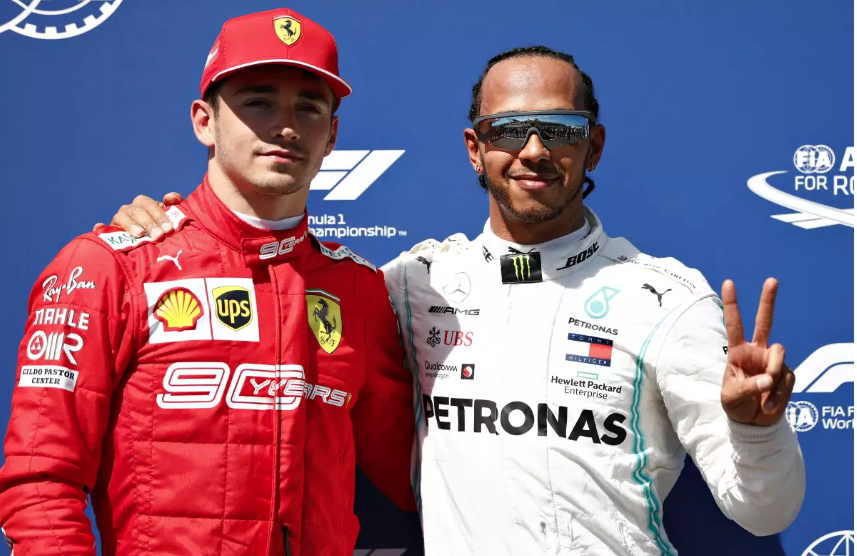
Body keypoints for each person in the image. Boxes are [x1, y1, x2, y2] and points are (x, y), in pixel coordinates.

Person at [102, 46, 806, 555]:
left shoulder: (664, 296)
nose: (534, 149)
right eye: (508, 131)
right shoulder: (412, 282)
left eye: (560, 129)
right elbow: (275, 274)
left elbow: (763, 511)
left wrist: (756, 430)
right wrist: (174, 228)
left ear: (592, 146)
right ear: (475, 148)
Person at [0, 8, 416, 556]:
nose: (286, 126)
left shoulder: (358, 289)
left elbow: (420, 471)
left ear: (332, 133)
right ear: (204, 121)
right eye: (258, 102)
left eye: (309, 108)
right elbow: (40, 482)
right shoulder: (110, 267)